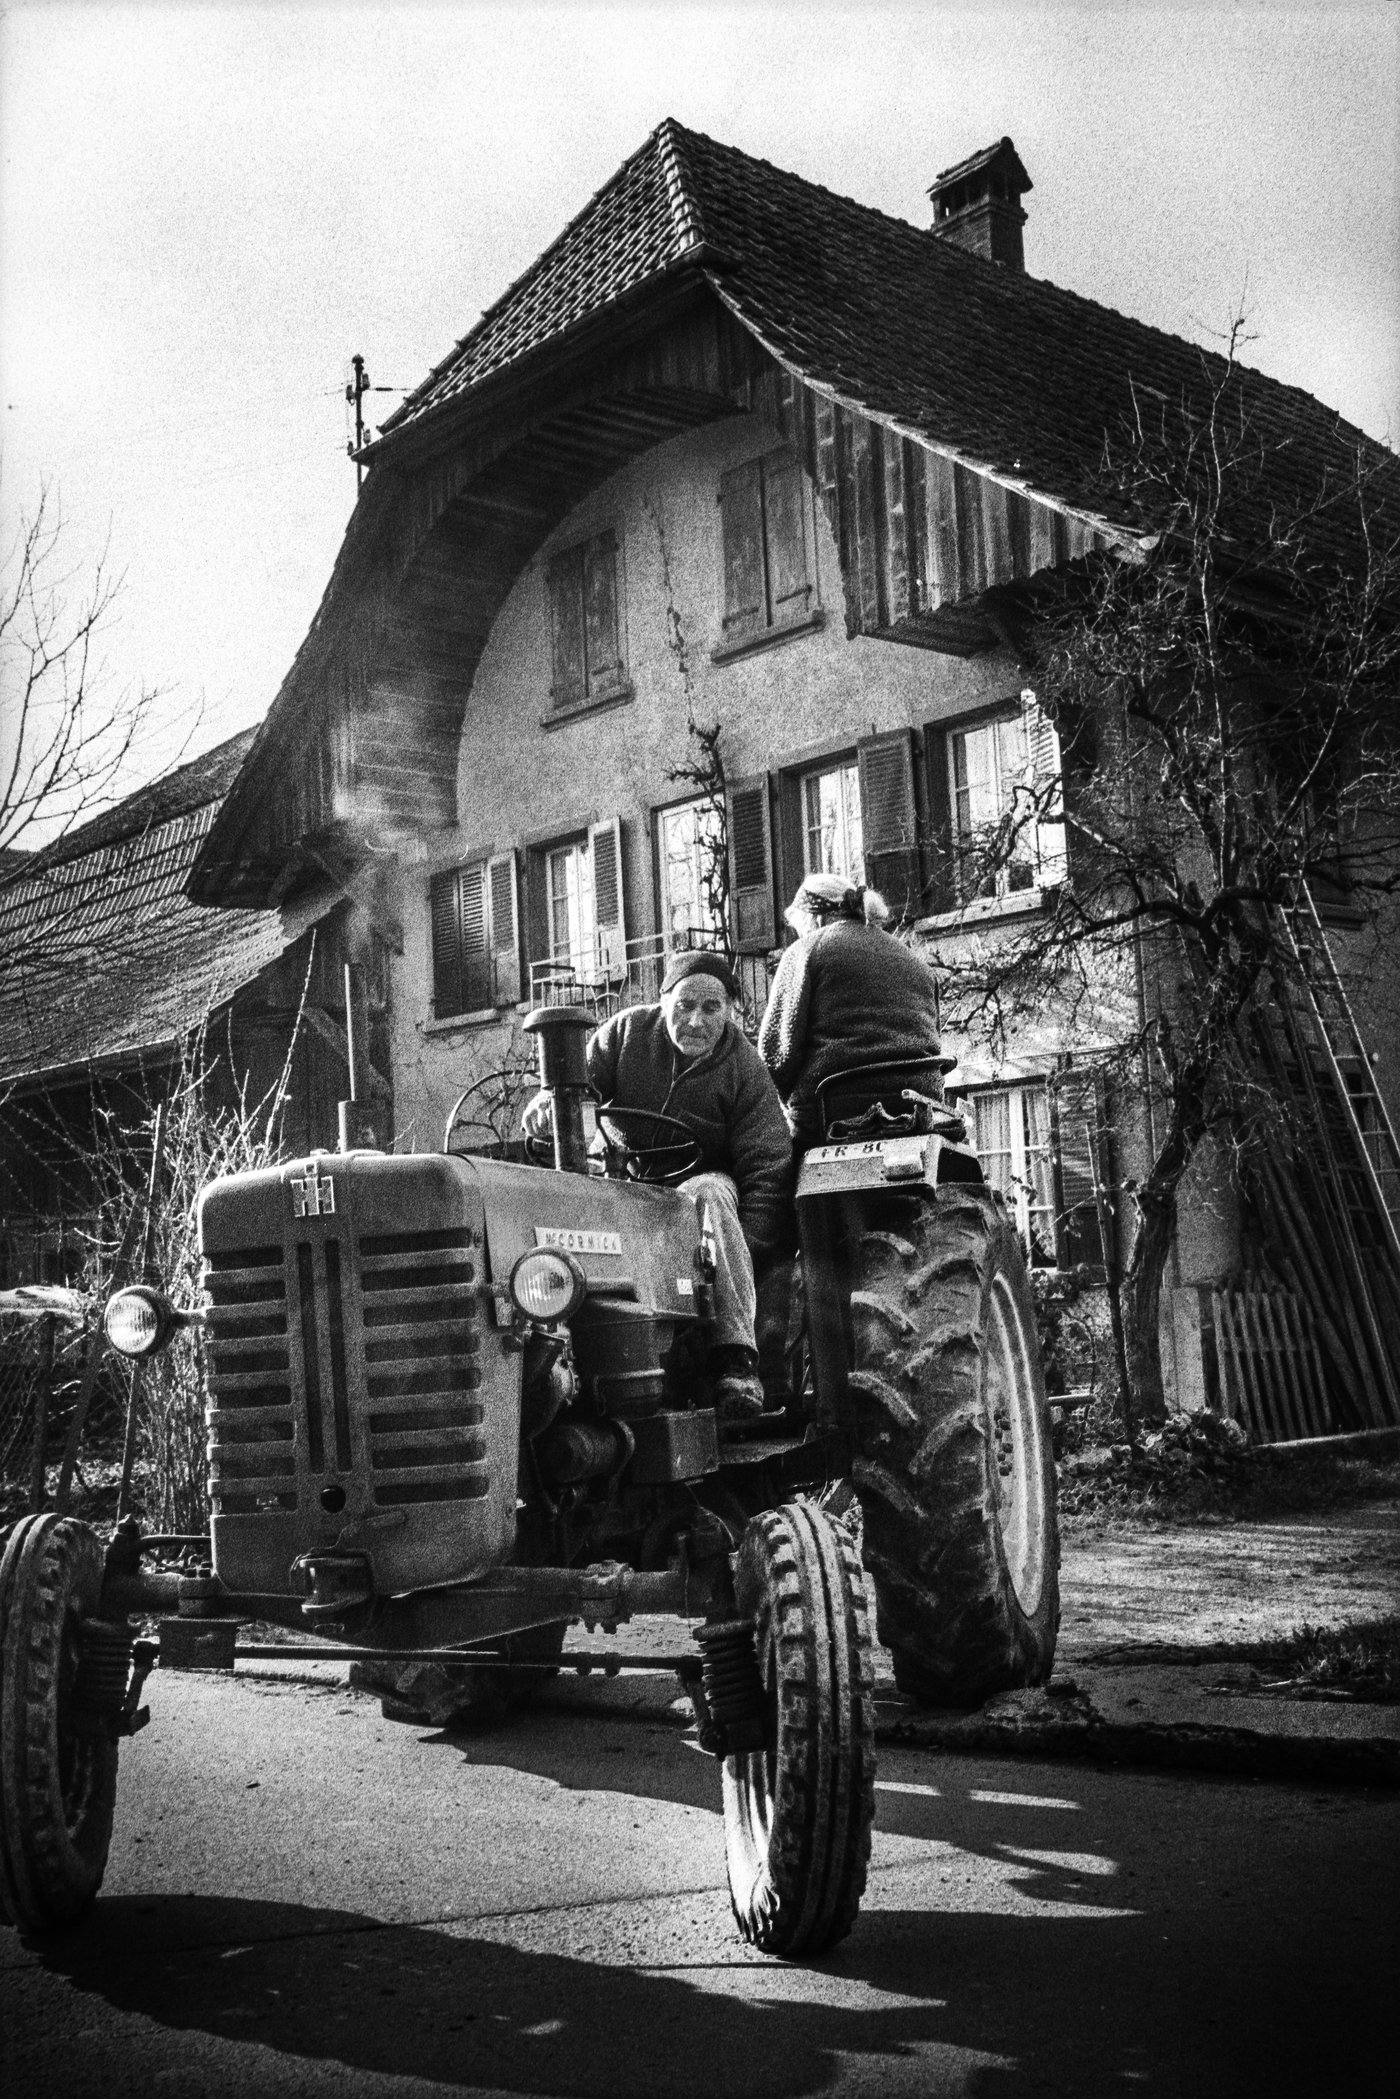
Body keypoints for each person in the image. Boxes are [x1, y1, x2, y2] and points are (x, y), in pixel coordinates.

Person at [523, 952, 792, 1418]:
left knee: (705, 1193)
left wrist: (737, 1252)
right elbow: (575, 1089)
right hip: (630, 1183)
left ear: (730, 1011)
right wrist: (548, 1107)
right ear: (662, 999)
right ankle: (558, 1359)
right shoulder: (624, 1034)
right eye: (685, 1005)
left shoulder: (745, 1067)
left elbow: (768, 1166)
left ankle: (735, 1360)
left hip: (703, 1190)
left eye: (712, 1009)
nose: (695, 1021)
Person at [758, 872, 945, 1143]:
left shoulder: (807, 950)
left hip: (833, 1110)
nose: (798, 935)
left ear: (815, 918)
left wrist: (789, 1106)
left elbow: (776, 1054)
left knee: (767, 1167)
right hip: (919, 1107)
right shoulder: (917, 963)